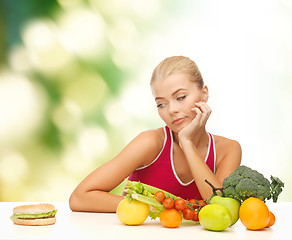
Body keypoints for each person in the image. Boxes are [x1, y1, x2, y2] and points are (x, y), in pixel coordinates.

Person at [69, 56, 241, 213]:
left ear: (204, 93)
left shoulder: (228, 150)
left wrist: (186, 143)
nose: (172, 110)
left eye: (180, 97)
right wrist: (153, 208)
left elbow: (221, 209)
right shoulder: (150, 143)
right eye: (161, 104)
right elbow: (79, 197)